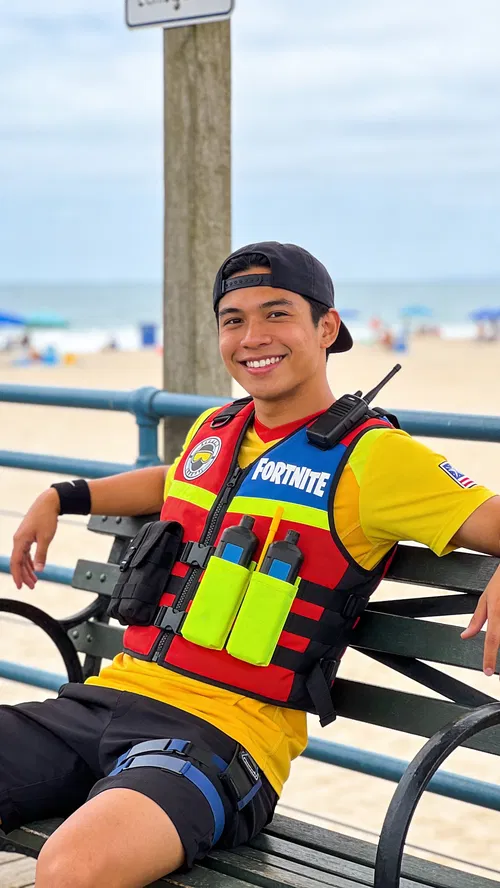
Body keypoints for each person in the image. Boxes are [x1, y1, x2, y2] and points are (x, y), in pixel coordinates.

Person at [5, 242, 500, 888]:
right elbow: (173, 482)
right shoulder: (220, 427)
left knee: (72, 869)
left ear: (326, 328)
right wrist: (64, 496)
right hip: (106, 702)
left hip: (219, 741)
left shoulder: (376, 460)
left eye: (276, 314)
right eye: (233, 320)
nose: (252, 337)